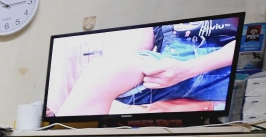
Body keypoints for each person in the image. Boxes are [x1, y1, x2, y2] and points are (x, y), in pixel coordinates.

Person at [55, 19, 238, 116]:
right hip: (164, 65)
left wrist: (185, 70)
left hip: (219, 64)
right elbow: (140, 53)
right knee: (102, 73)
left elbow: (247, 42)